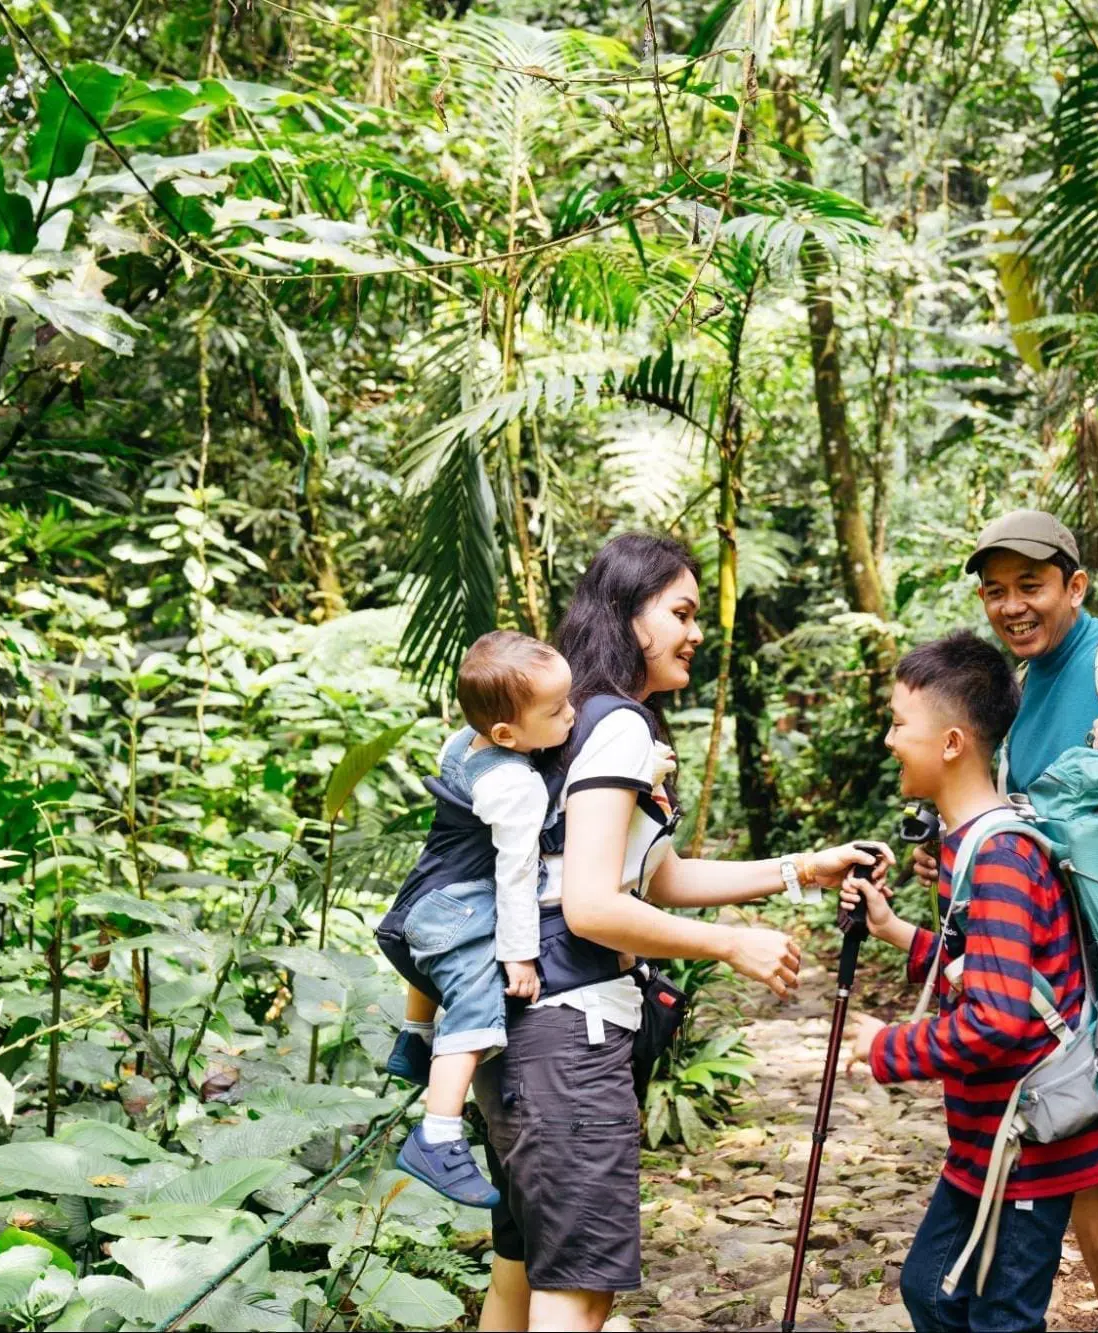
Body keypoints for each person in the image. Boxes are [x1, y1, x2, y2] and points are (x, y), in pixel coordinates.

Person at [472, 532, 894, 1333]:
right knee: (577, 1289)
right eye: (681, 612)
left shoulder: (566, 721)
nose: (696, 631)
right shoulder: (618, 726)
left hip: (516, 1034)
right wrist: (732, 943)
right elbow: (594, 906)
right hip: (570, 1035)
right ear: (628, 617)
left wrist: (802, 867)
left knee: (519, 1272)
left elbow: (651, 875)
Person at [912, 509, 1098, 1332]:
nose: (1012, 605)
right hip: (1062, 977)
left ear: (1074, 586)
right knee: (1077, 1164)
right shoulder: (1021, 688)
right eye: (995, 590)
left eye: (1031, 586)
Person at [843, 631, 1098, 1331]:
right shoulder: (977, 841)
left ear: (951, 742)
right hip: (989, 1139)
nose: (887, 738)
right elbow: (999, 971)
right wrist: (894, 930)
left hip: (1027, 1142)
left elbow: (996, 1018)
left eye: (899, 722)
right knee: (932, 1291)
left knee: (999, 1316)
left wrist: (887, 1049)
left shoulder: (996, 854)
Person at [372, 631, 574, 1206]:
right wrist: (518, 952)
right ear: (508, 734)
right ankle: (436, 1136)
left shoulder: (465, 742)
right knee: (476, 996)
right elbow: (515, 874)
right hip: (465, 910)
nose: (571, 714)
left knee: (437, 970)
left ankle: (415, 1041)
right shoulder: (516, 785)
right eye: (556, 710)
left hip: (429, 896)